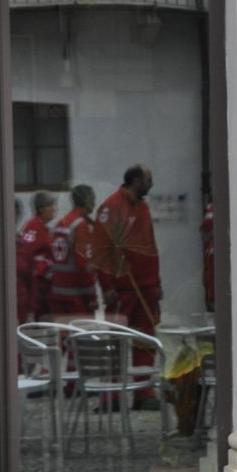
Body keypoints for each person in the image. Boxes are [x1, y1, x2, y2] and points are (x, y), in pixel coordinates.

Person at [92, 164, 160, 406]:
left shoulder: (143, 208)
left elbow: (150, 246)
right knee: (115, 342)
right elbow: (100, 249)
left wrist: (156, 282)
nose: (152, 184)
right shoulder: (112, 208)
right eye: (148, 180)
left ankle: (144, 392)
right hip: (122, 288)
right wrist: (107, 285)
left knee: (146, 340)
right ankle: (111, 395)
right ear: (136, 181)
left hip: (145, 286)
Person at [47, 184, 99, 316]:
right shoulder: (80, 226)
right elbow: (84, 265)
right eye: (93, 199)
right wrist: (92, 297)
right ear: (87, 200)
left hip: (58, 293)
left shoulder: (60, 224)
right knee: (81, 335)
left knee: (64, 335)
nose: (95, 202)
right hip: (77, 296)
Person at [15, 191, 56, 323]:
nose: (54, 209)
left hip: (43, 289)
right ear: (41, 209)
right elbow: (28, 258)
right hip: (38, 289)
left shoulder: (41, 227)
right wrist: (46, 265)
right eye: (51, 205)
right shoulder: (35, 227)